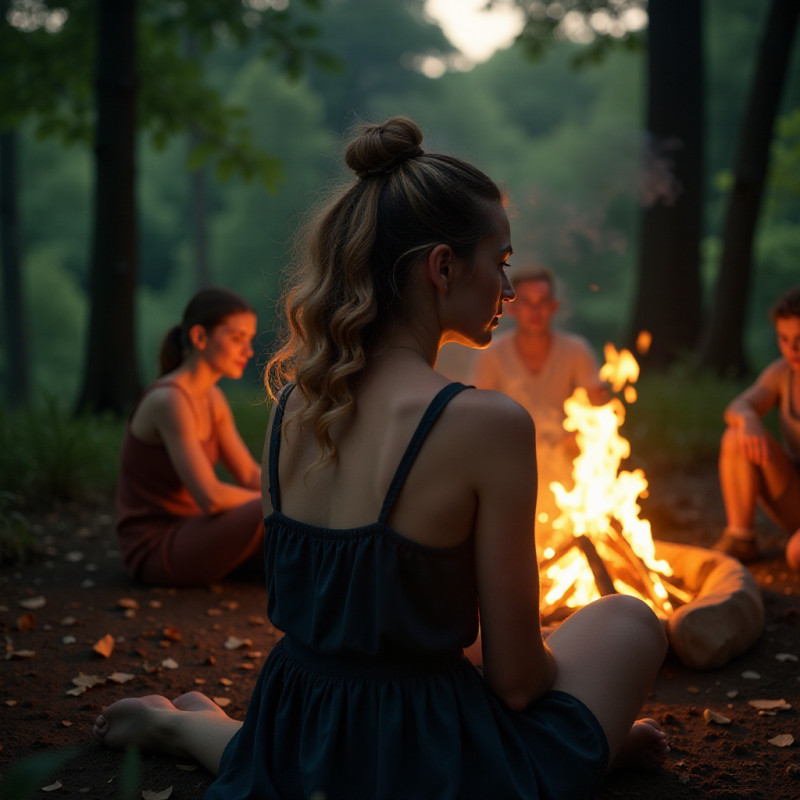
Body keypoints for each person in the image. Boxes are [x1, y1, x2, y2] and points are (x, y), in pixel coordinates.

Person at [94, 117, 668, 799]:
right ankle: (587, 753)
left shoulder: (292, 408)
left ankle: (189, 729)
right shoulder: (486, 422)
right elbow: (517, 686)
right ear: (443, 266)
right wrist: (584, 707)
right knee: (629, 619)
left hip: (299, 724)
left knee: (314, 748)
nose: (509, 292)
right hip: (425, 750)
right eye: (501, 262)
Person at [114, 287, 265, 587]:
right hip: (157, 547)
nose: (248, 351)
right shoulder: (169, 400)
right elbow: (210, 497)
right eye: (237, 339)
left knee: (291, 532)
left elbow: (248, 473)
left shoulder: (212, 398)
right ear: (199, 337)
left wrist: (299, 498)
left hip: (197, 532)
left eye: (249, 340)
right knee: (273, 512)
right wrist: (280, 503)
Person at [470, 266, 607, 525]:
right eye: (527, 303)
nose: (535, 311)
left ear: (553, 307)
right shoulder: (492, 355)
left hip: (567, 473)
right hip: (511, 470)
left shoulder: (576, 350)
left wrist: (581, 431)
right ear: (512, 309)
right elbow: (479, 416)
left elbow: (596, 410)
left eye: (542, 302)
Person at [713, 285, 800, 568]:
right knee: (736, 434)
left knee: (796, 554)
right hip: (793, 495)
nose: (792, 349)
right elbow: (737, 407)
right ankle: (742, 539)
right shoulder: (781, 374)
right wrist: (748, 418)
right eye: (784, 339)